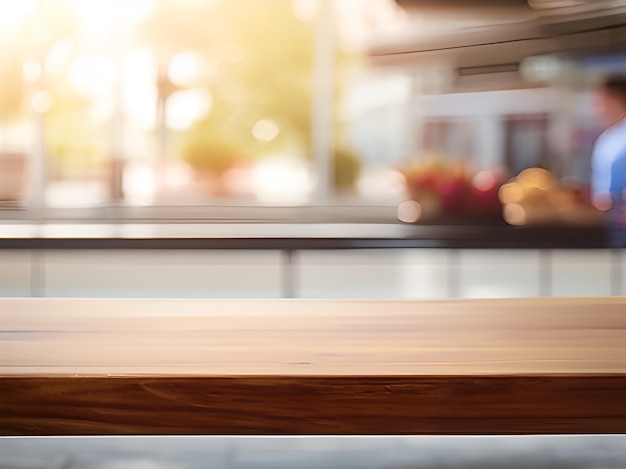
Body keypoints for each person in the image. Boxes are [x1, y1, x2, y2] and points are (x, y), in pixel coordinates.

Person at [591, 75, 626, 211]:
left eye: (601, 103)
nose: (597, 110)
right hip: (607, 219)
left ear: (616, 99)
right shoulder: (604, 140)